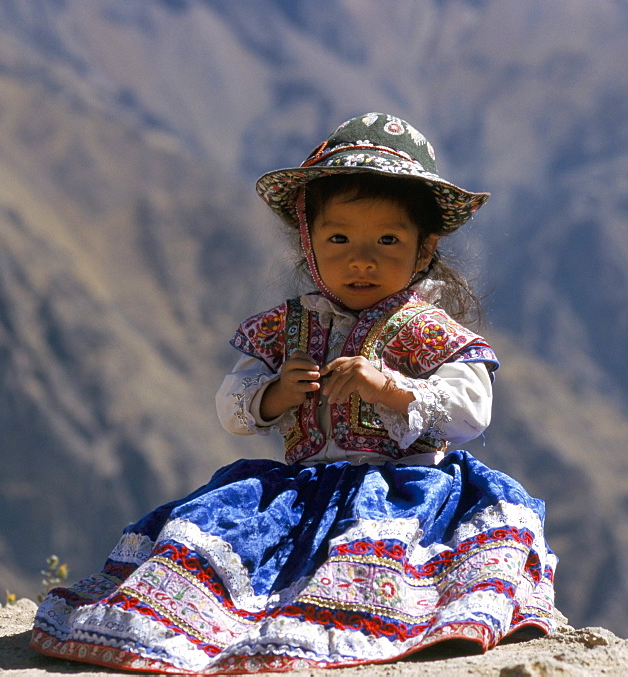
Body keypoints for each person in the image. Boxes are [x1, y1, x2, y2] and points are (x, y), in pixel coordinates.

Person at [30, 112, 559, 673]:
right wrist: (277, 395)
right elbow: (232, 406)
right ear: (309, 245)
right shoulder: (285, 329)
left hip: (407, 493)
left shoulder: (431, 333)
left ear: (423, 250)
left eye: (387, 239)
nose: (362, 258)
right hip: (300, 492)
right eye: (339, 238)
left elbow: (471, 412)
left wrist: (392, 389)